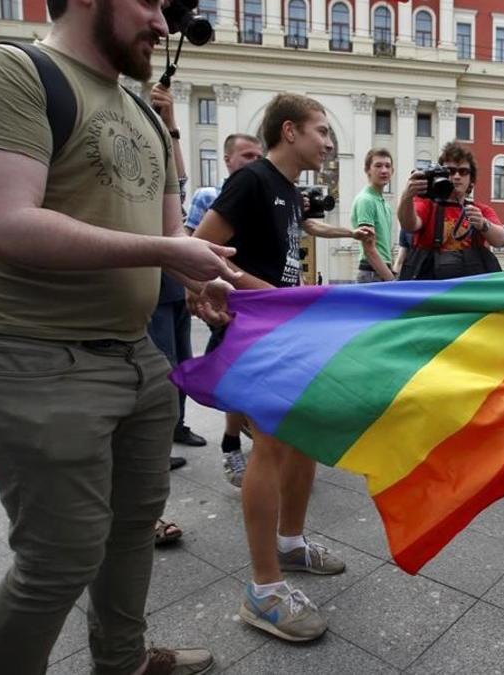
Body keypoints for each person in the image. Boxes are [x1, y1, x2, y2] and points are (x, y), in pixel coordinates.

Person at [0, 0, 242, 671]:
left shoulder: (141, 110)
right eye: (149, 4)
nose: (164, 26)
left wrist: (199, 278)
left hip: (136, 353)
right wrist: (169, 252)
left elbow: (169, 237)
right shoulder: (11, 70)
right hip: (32, 354)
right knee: (58, 557)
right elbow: (4, 224)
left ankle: (123, 659)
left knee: (134, 527)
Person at [189, 92, 373, 642]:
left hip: (285, 330)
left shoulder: (290, 194)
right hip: (256, 332)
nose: (328, 140)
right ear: (289, 130)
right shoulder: (251, 182)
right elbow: (200, 250)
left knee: (303, 439)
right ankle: (263, 591)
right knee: (270, 447)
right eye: (321, 130)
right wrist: (265, 295)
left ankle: (290, 545)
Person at [185, 133, 264, 486]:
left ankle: (250, 440)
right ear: (228, 159)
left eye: (258, 157)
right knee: (235, 380)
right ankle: (232, 446)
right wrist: (195, 289)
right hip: (229, 303)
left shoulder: (264, 196)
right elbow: (188, 244)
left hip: (257, 304)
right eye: (247, 155)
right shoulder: (208, 197)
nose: (254, 162)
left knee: (250, 379)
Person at [145, 83, 206, 472]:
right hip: (152, 287)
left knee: (182, 361)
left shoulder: (168, 188)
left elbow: (179, 182)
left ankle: (177, 425)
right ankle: (156, 442)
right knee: (164, 365)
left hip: (175, 286)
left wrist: (172, 127)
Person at [396, 142, 504, 279]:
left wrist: (483, 224)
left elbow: (500, 240)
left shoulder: (480, 210)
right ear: (441, 174)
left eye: (463, 171)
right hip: (433, 288)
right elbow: (409, 224)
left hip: (467, 289)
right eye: (451, 171)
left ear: (471, 178)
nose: (457, 176)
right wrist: (407, 196)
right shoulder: (426, 203)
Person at [352, 148, 397, 282]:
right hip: (372, 273)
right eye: (378, 165)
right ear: (367, 170)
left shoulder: (385, 205)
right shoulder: (366, 200)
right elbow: (369, 250)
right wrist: (391, 281)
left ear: (392, 171)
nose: (384, 170)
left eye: (387, 166)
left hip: (382, 271)